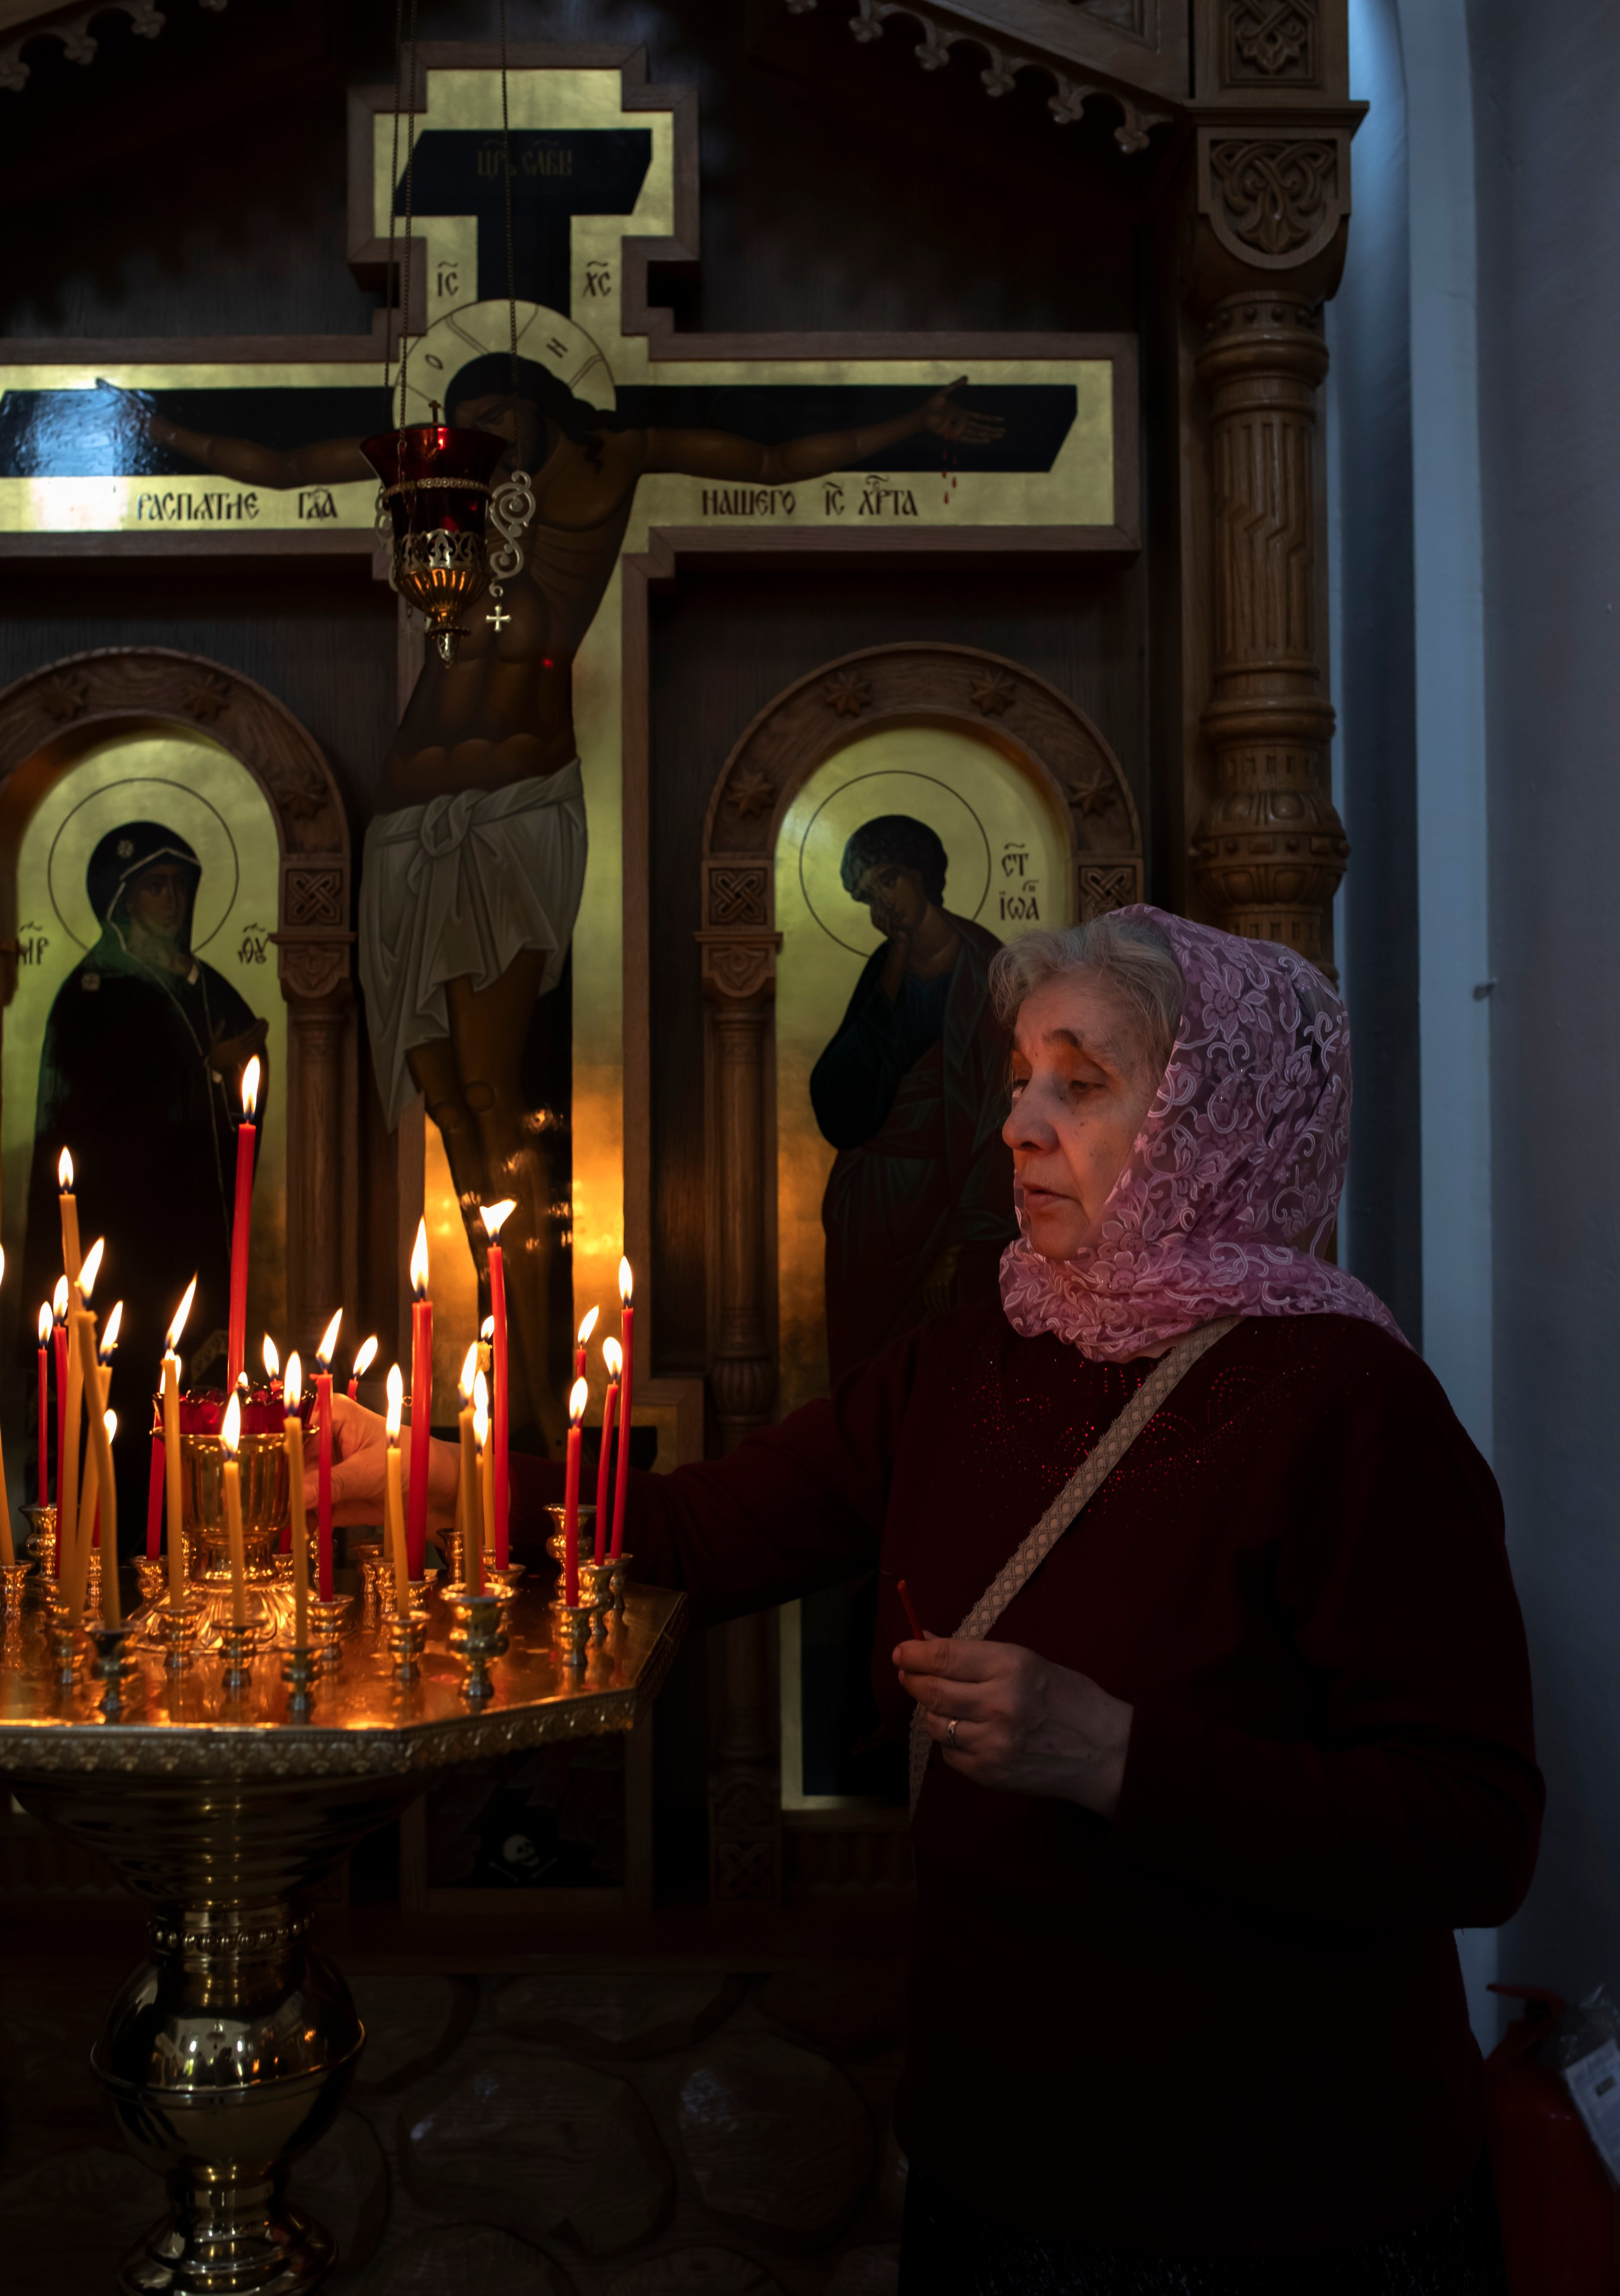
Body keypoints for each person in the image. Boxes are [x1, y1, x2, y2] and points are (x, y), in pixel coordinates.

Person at [330, 905, 1539, 2290]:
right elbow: (701, 1531)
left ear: (1217, 1118)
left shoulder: (1347, 1408)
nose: (1016, 1122)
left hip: (1277, 2192)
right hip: (1000, 2158)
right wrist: (448, 1486)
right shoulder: (973, 1357)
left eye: (1077, 1084)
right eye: (1020, 1076)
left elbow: (1470, 1832)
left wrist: (1115, 1757)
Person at [122, 359, 1003, 1449]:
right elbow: (290, 467)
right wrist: (169, 437)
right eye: (462, 420)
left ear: (541, 402)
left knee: (495, 1093)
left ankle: (536, 1386)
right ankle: (494, 1355)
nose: (476, 435)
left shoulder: (606, 466)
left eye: (495, 412)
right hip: (408, 827)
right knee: (446, 1102)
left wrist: (913, 420)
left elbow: (771, 461)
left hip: (512, 814)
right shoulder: (437, 496)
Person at [23, 822, 267, 1549]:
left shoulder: (213, 988)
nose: (173, 899)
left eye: (181, 885)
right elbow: (92, 1107)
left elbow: (245, 1103)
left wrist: (229, 1079)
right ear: (120, 900)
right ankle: (114, 1567)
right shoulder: (96, 992)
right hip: (121, 1233)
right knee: (124, 1412)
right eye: (155, 886)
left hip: (201, 1232)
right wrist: (200, 1068)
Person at [810, 813, 1015, 1382]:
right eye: (869, 893)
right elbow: (840, 1091)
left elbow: (1001, 1109)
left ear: (922, 872)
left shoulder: (986, 967)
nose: (885, 901)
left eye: (890, 879)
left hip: (944, 1199)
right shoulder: (884, 969)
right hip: (872, 1207)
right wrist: (896, 958)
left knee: (938, 1368)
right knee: (865, 1367)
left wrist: (959, 1244)